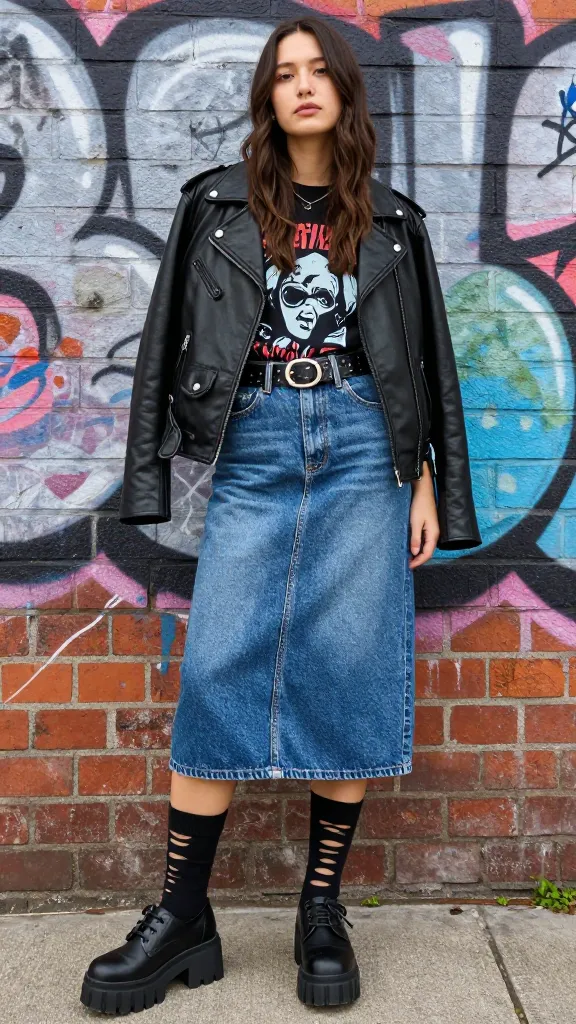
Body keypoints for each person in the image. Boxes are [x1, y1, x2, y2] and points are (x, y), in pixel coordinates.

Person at [80, 14, 482, 1016]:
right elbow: (168, 341)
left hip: (360, 447)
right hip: (255, 442)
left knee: (349, 665)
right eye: (283, 74)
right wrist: (148, 478)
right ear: (267, 97)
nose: (302, 86)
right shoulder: (216, 207)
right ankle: (182, 914)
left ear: (344, 92)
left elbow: (423, 361)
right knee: (217, 665)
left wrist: (425, 473)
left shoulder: (392, 219)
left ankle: (319, 911)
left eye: (318, 72)